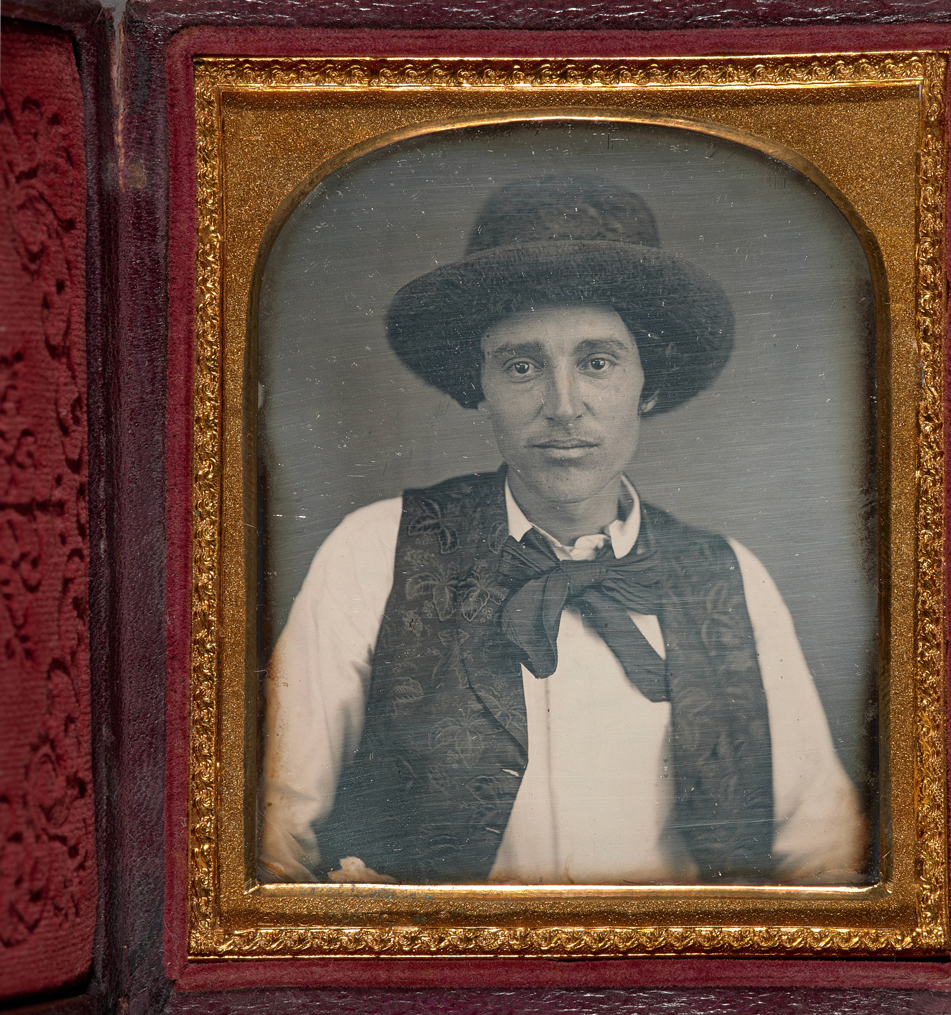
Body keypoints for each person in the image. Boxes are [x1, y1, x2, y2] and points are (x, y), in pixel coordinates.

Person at [259, 174, 867, 886]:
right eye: (522, 365)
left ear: (647, 380)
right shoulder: (374, 553)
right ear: (478, 384)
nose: (564, 406)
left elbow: (825, 857)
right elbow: (274, 839)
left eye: (598, 362)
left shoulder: (730, 577)